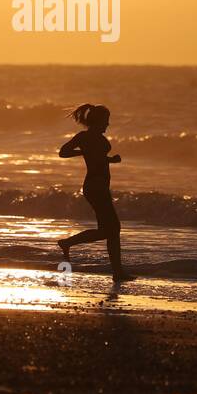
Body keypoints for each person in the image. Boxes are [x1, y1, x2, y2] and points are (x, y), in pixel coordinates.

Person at [56, 103, 134, 281]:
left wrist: (108, 160)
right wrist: (83, 153)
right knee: (112, 229)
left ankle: (117, 272)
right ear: (99, 121)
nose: (108, 124)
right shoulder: (88, 137)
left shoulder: (85, 137)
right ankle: (68, 243)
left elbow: (92, 156)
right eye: (106, 121)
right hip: (96, 186)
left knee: (109, 230)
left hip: (95, 186)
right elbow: (63, 153)